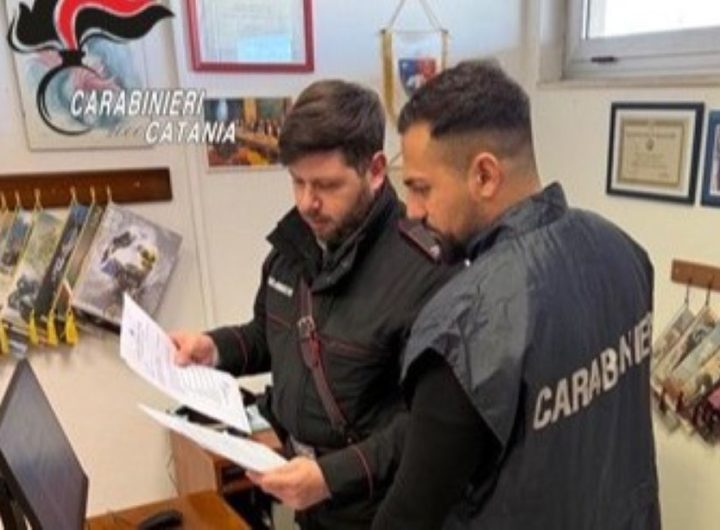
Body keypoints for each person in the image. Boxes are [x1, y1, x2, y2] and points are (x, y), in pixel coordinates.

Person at [372, 60, 661, 530]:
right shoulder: (624, 251)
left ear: (484, 175)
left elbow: (408, 517)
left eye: (421, 188)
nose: (413, 211)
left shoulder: (464, 330)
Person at [171, 79, 453, 530]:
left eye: (326, 185)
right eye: (297, 181)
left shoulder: (424, 271)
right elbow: (269, 334)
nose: (307, 203)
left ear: (375, 170)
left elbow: (430, 424)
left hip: (383, 509)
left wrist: (330, 477)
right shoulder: (293, 247)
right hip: (309, 498)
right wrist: (213, 347)